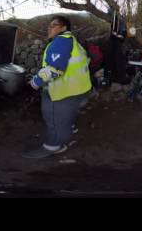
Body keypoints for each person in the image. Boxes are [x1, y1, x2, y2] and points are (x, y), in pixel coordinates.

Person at [23, 16, 92, 159]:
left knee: (53, 117)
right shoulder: (72, 41)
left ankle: (53, 146)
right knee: (66, 116)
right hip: (79, 89)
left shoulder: (61, 41)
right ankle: (69, 130)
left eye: (54, 25)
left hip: (63, 92)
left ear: (64, 28)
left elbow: (54, 69)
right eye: (49, 25)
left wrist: (35, 83)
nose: (49, 28)